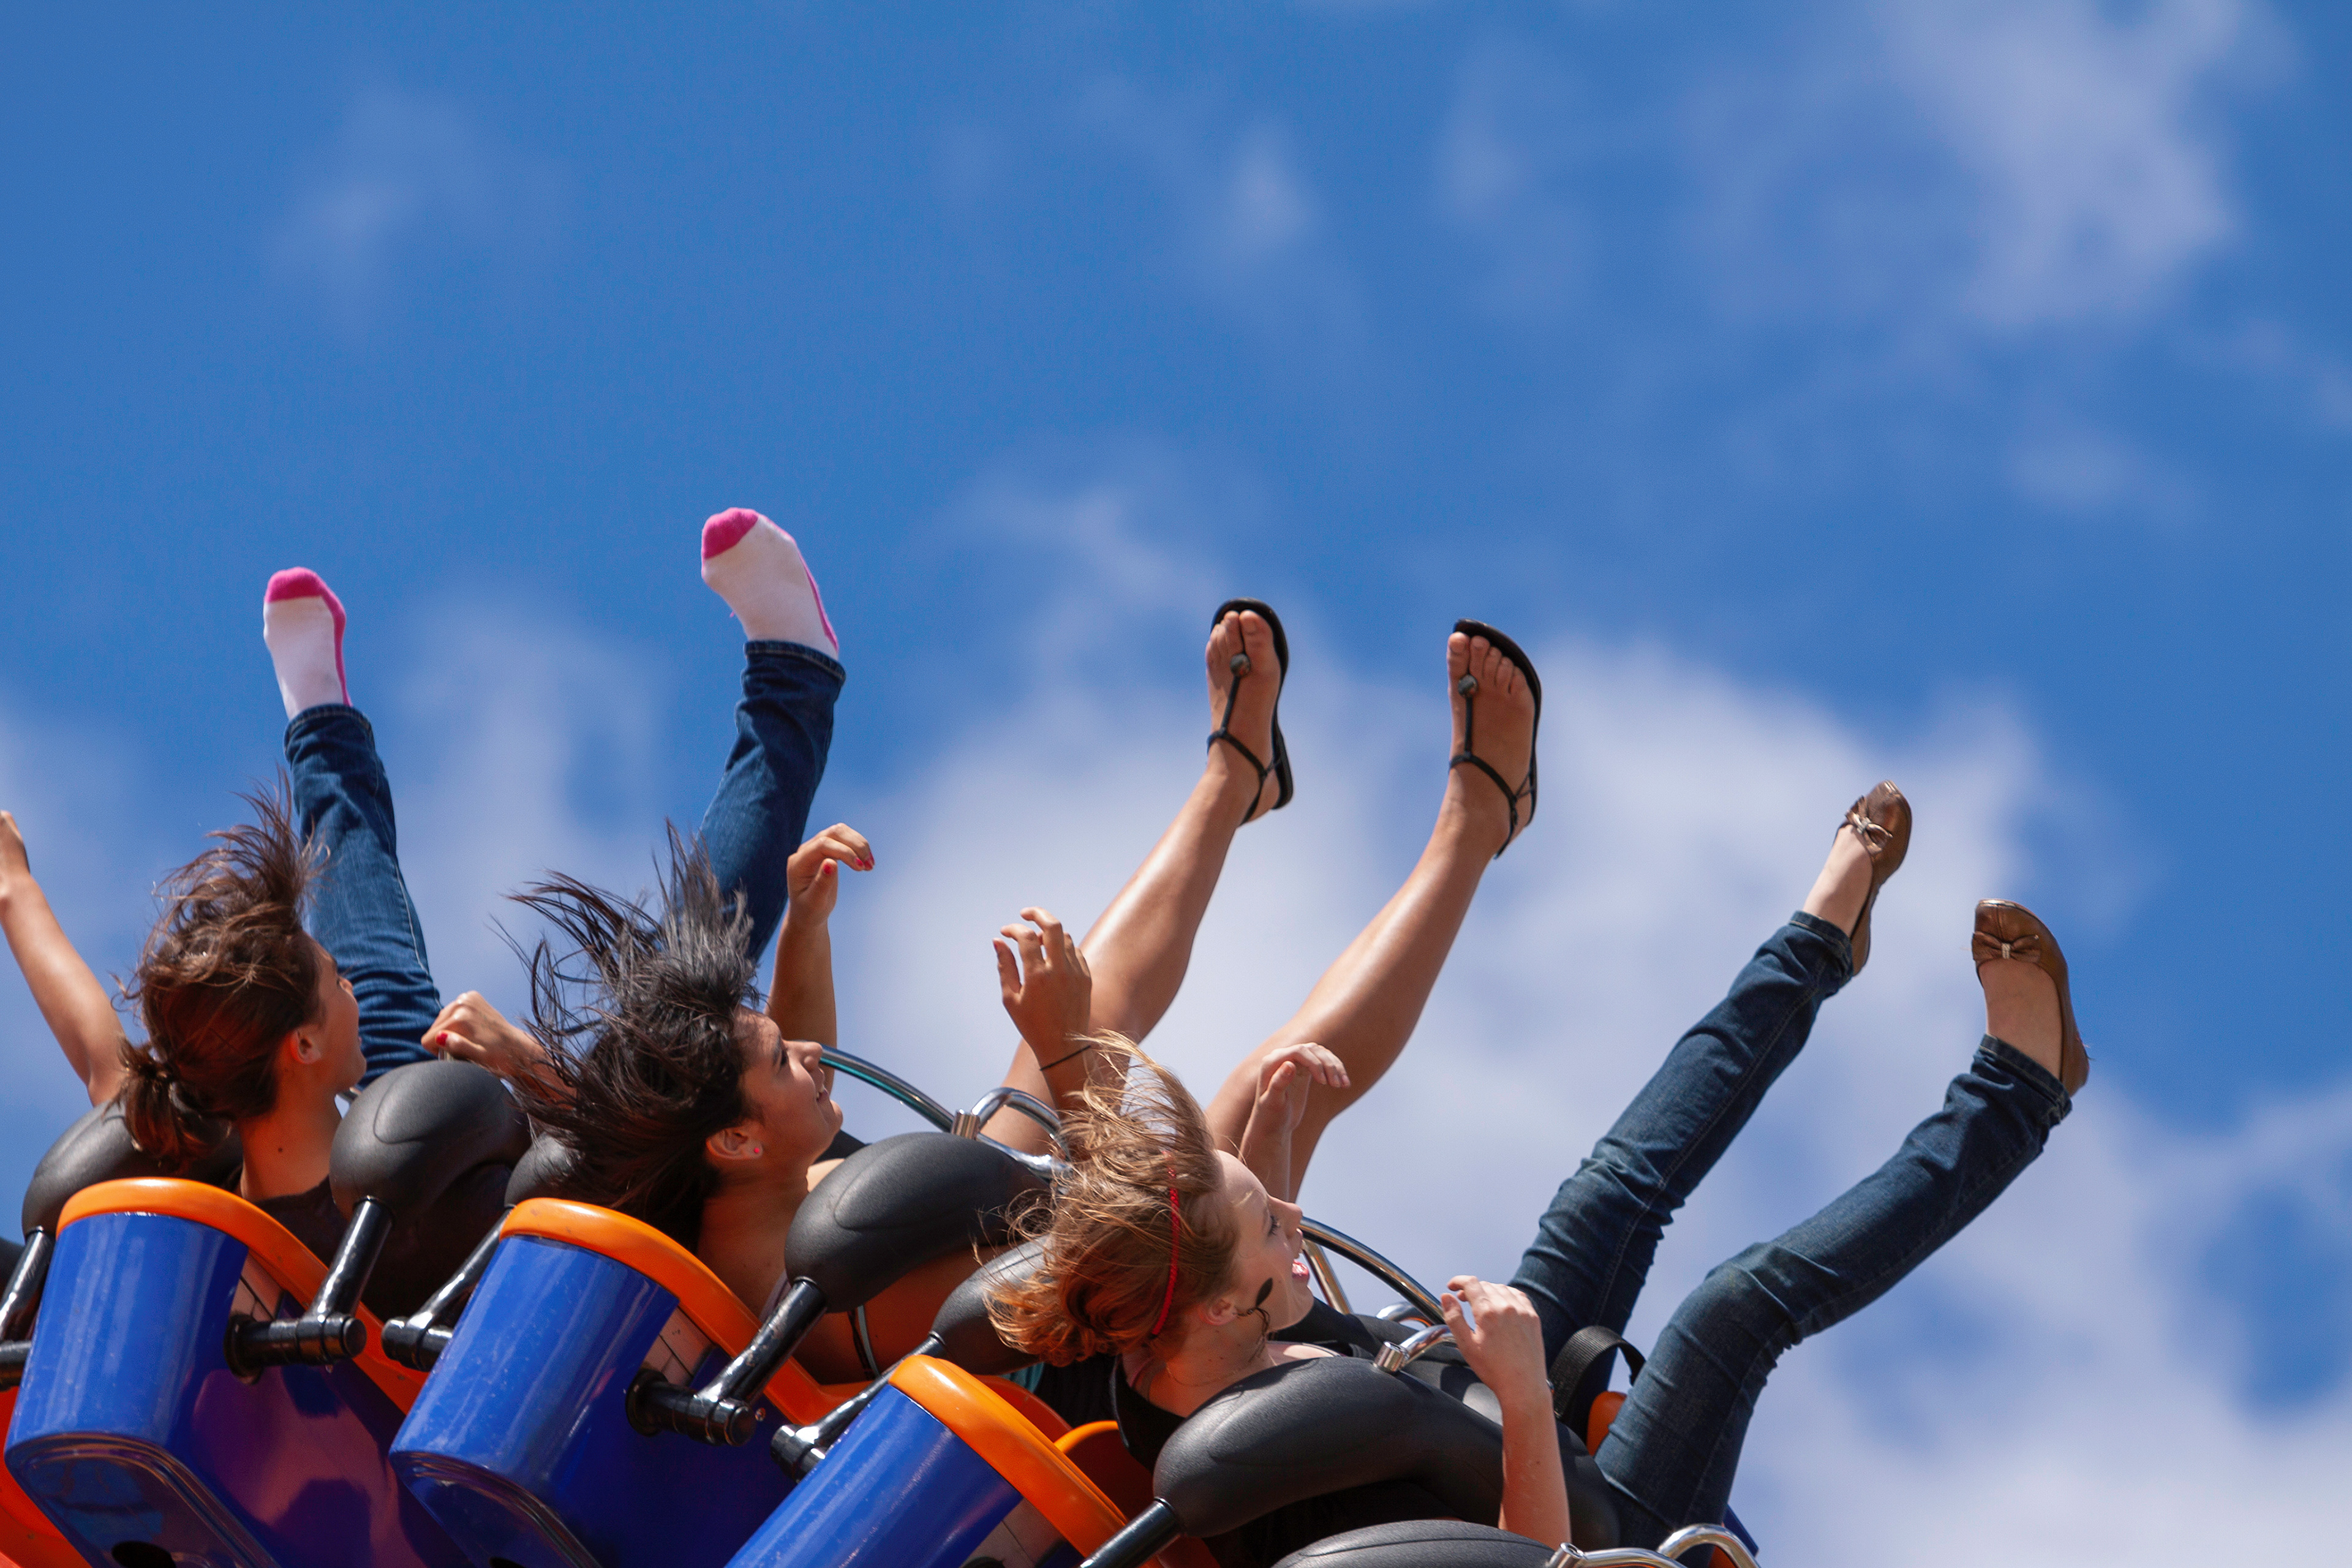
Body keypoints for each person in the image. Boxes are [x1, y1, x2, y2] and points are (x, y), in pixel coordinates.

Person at [985, 783, 2089, 1564]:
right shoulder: (1264, 1482)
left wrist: (1249, 1122)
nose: (1291, 1217)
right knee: (1732, 1307)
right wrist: (1521, 1394)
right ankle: (2015, 1098)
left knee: (1611, 1189)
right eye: (1272, 1226)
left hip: (1474, 1390)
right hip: (1600, 1526)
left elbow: (1144, 1211)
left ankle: (1814, 943)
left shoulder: (1176, 1317)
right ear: (1229, 1300)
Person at [507, 619, 1544, 1385]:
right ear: (730, 1140)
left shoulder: (734, 1201)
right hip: (1151, 1346)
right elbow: (1128, 1257)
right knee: (1259, 1084)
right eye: (783, 1060)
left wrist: (808, 937)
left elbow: (795, 1122)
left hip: (1046, 1224)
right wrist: (1063, 1050)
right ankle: (1477, 824)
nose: (815, 1057)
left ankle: (1234, 778)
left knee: (1068, 1023)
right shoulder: (840, 1287)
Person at [0, 507, 847, 1316]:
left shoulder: (205, 1151)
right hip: (451, 1386)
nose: (348, 993)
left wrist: (15, 891)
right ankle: (795, 678)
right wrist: (523, 1066)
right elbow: (626, 1157)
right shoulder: (460, 1211)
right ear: (301, 1044)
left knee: (384, 988)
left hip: (387, 1117)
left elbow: (99, 1051)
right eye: (331, 986)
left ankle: (320, 721)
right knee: (675, 1022)